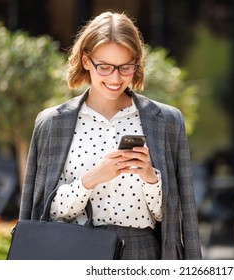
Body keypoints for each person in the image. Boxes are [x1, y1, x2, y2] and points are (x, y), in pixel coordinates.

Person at [18, 11, 202, 260]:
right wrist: (90, 180)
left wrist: (150, 178)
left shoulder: (167, 121)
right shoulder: (52, 123)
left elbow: (175, 216)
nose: (115, 78)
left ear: (136, 63)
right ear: (86, 61)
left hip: (143, 255)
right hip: (75, 252)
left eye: (125, 67)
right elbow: (43, 210)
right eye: (104, 67)